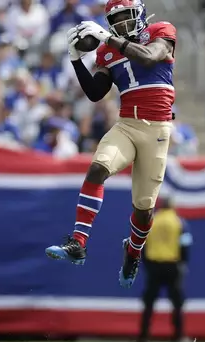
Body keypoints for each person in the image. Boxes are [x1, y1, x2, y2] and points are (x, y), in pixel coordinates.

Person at [45, 0, 177, 289]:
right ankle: (78, 243)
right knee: (97, 169)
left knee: (144, 209)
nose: (121, 24)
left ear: (140, 14)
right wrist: (75, 59)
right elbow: (95, 93)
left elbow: (149, 57)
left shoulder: (160, 31)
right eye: (115, 20)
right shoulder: (107, 51)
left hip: (157, 130)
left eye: (125, 17)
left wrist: (110, 39)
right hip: (127, 124)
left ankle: (133, 251)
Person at [137, 195, 192, 342]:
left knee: (149, 301)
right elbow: (185, 243)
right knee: (177, 302)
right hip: (172, 265)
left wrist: (146, 263)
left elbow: (142, 243)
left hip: (154, 265)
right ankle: (178, 335)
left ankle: (143, 335)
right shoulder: (179, 222)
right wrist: (183, 263)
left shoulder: (152, 221)